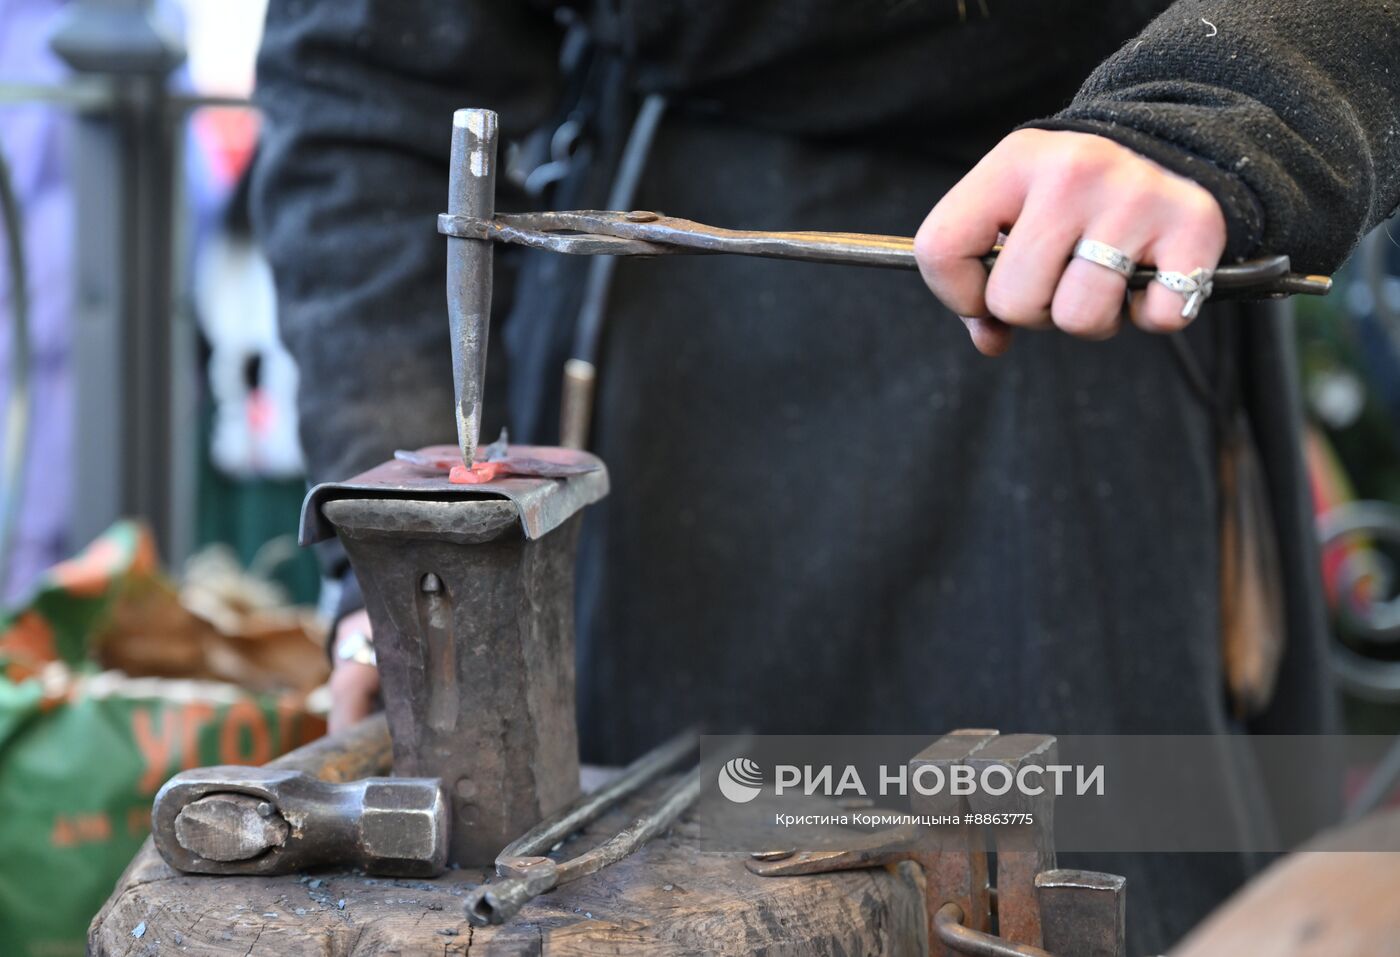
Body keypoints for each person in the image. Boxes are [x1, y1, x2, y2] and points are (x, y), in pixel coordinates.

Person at [251, 2, 1400, 949]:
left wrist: (1236, 103)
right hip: (669, 430)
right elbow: (365, 87)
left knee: (1059, 873)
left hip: (1089, 356)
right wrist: (399, 590)